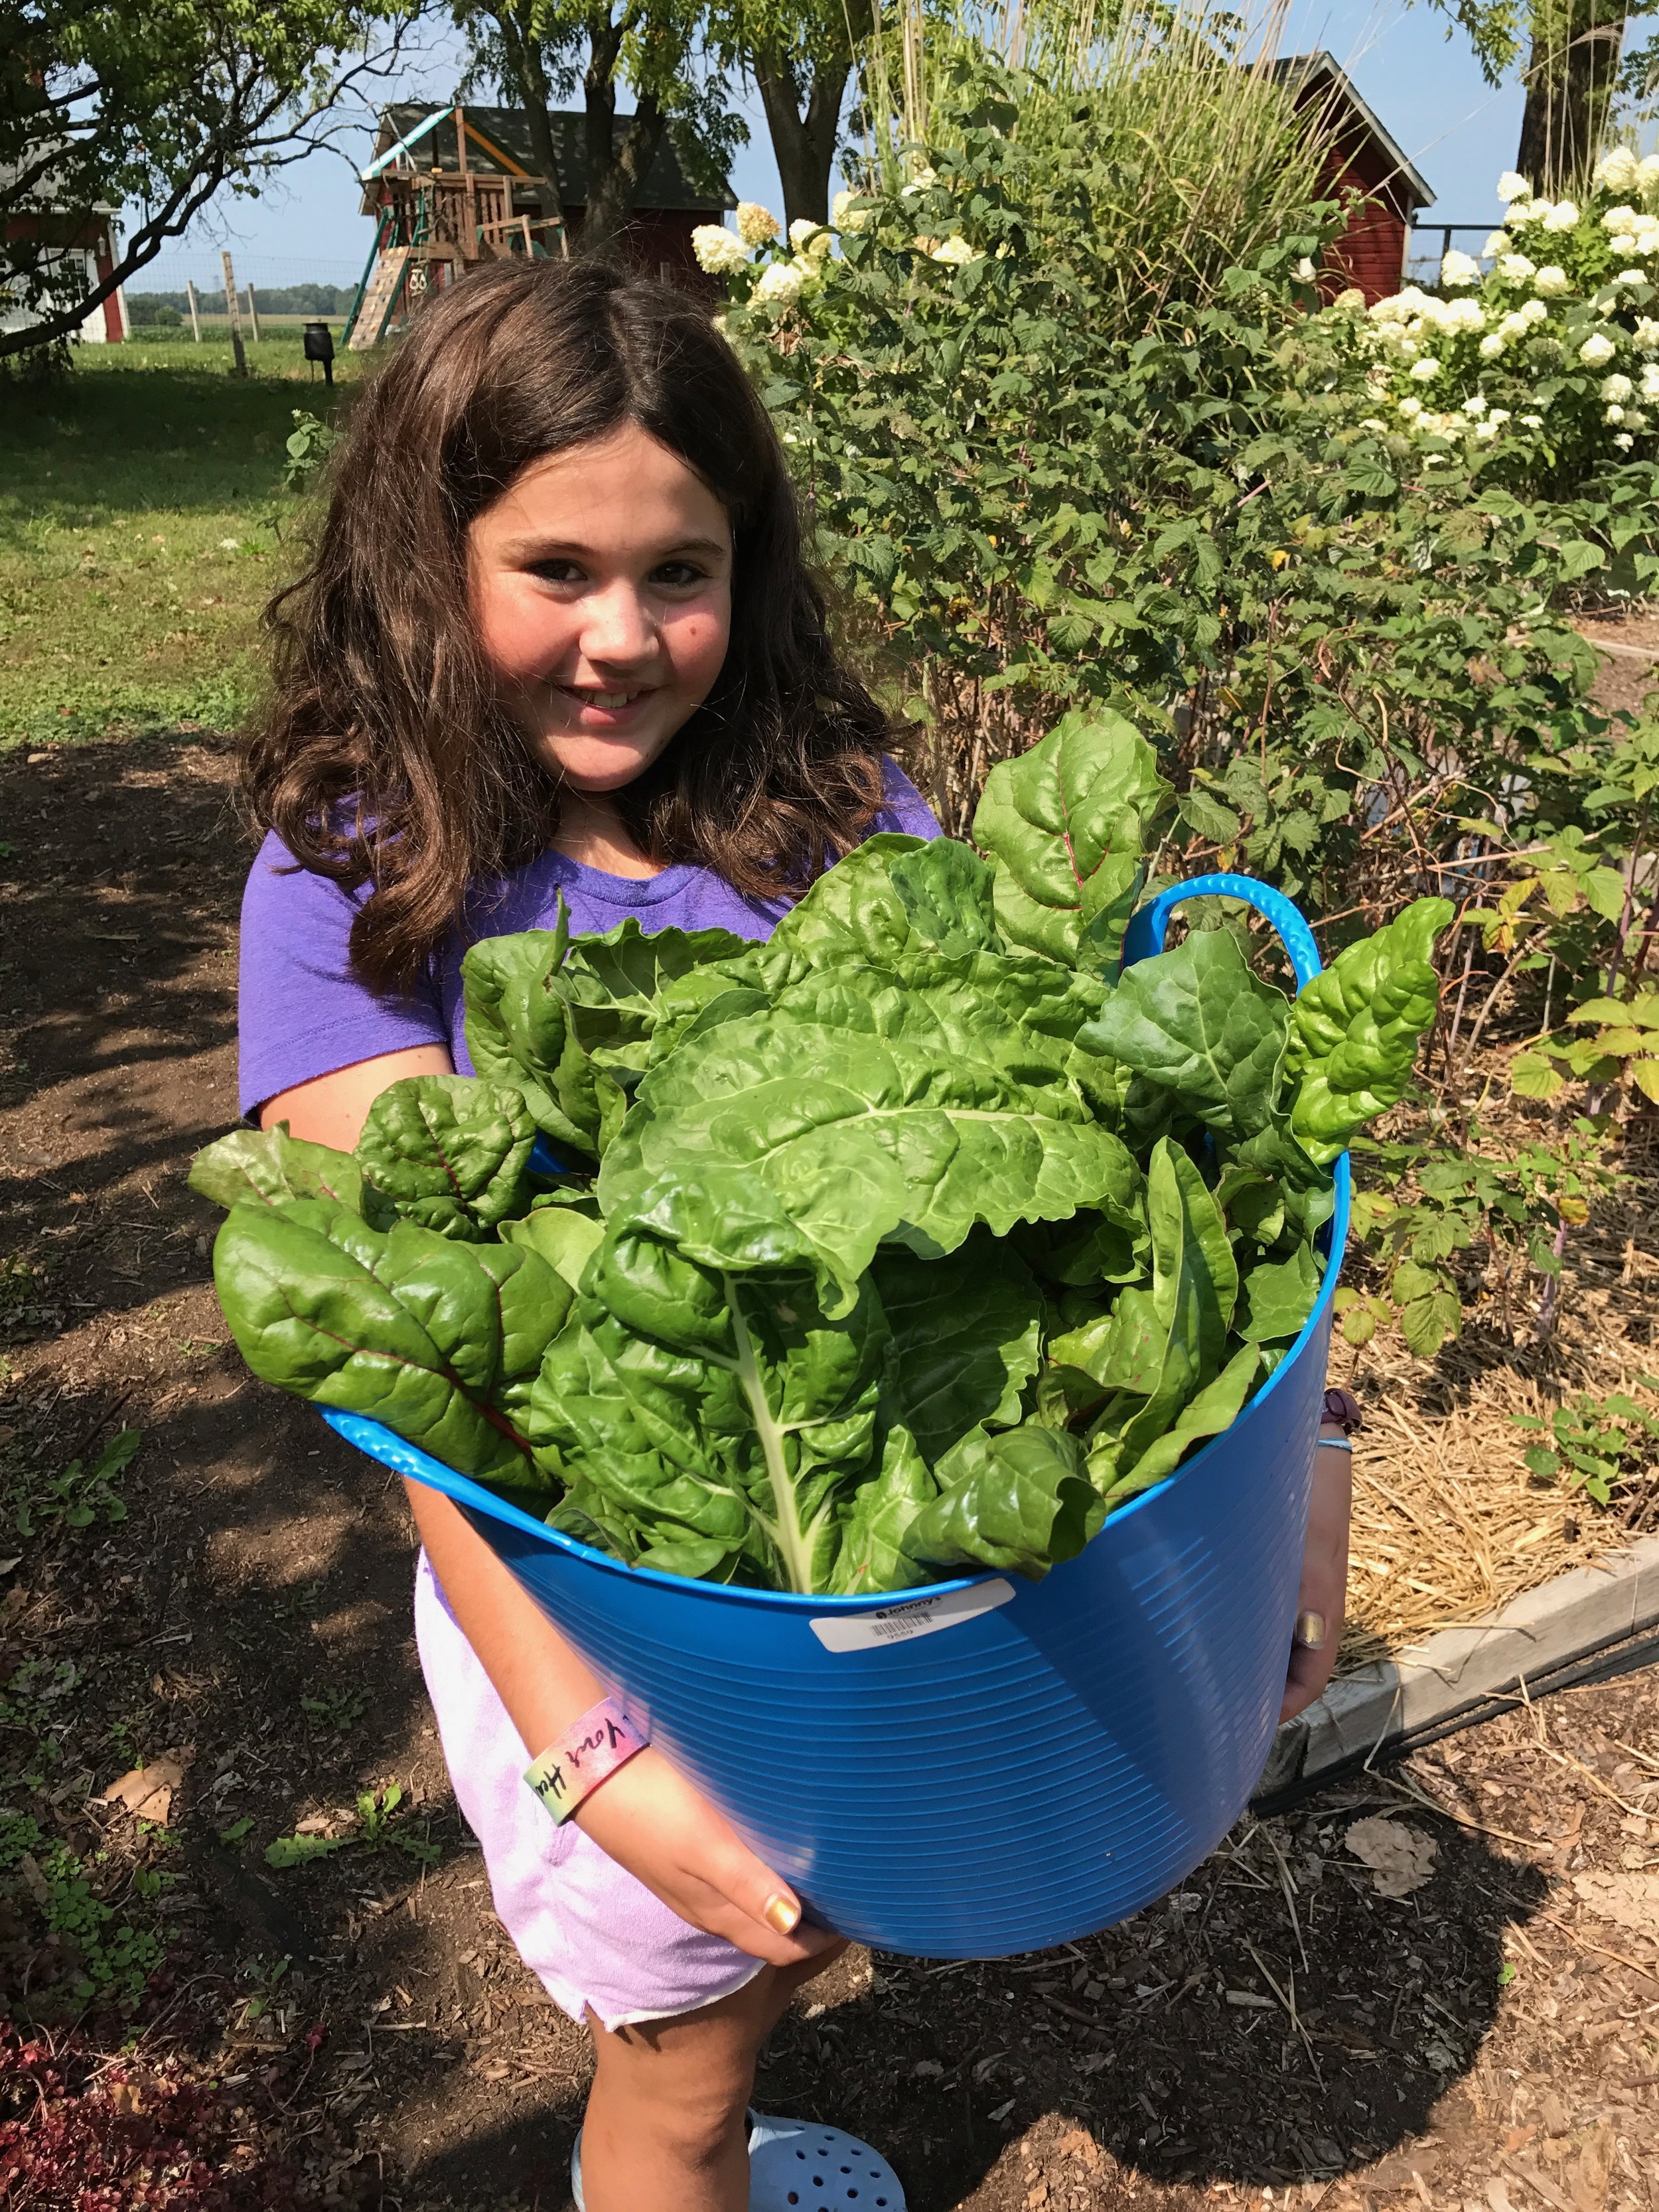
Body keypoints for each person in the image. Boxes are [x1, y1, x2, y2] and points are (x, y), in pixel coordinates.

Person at [234, 257, 1350, 2212]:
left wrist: (1301, 1476)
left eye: (680, 570)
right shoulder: (357, 872)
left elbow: (1119, 1138)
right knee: (682, 2050)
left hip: (901, 1564)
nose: (622, 634)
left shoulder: (831, 810)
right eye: (554, 568)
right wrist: (591, 1752)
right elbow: (443, 1403)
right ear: (428, 560)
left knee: (814, 1945)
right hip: (597, 1619)